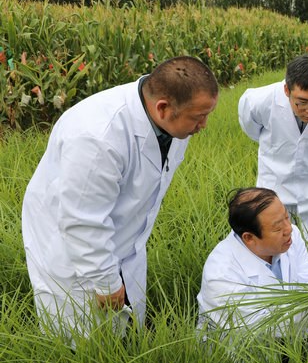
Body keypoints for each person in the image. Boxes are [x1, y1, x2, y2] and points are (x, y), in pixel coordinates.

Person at [22, 56, 219, 336]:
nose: (204, 125)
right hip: (70, 241)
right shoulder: (97, 137)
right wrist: (105, 282)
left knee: (125, 324)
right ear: (163, 108)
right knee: (79, 335)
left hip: (122, 234)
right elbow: (82, 221)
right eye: (199, 117)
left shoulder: (169, 123)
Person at [197, 188, 308, 341]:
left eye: (287, 218)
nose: (288, 229)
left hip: (295, 325)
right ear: (249, 238)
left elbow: (306, 281)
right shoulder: (221, 274)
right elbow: (263, 326)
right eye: (277, 228)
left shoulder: (290, 237)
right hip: (248, 344)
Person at [238, 54, 308, 252]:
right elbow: (251, 129)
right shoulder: (258, 101)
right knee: (276, 252)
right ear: (286, 90)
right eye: (302, 102)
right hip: (275, 183)